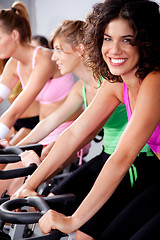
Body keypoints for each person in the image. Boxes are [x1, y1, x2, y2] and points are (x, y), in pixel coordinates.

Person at [11, 0, 160, 238]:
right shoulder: (116, 83)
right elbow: (74, 134)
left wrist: (73, 221)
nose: (114, 49)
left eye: (127, 40)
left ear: (145, 42)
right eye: (107, 38)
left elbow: (122, 157)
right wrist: (30, 183)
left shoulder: (154, 80)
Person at [0, 1, 79, 195]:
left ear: (14, 36)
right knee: (2, 186)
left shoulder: (43, 58)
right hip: (42, 131)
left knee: (16, 191)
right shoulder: (13, 64)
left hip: (64, 133)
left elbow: (15, 111)